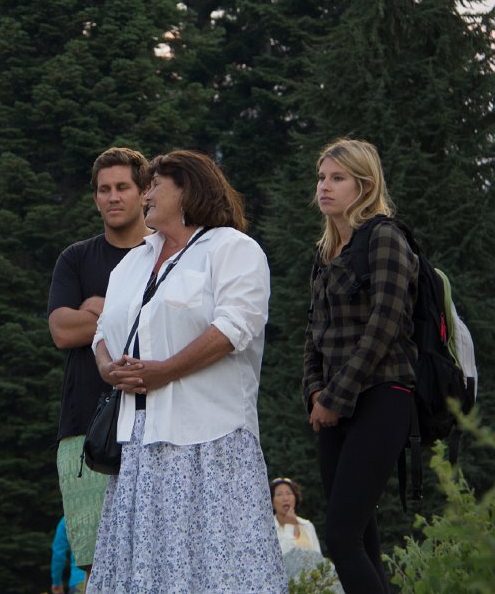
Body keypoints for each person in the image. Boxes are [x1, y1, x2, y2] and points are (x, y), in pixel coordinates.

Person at [88, 150, 285, 593]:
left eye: (156, 185)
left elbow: (235, 327)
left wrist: (165, 371)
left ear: (188, 189)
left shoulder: (232, 248)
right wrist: (107, 368)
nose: (147, 195)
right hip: (138, 441)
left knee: (219, 572)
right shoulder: (135, 260)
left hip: (210, 440)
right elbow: (103, 331)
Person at [303, 138, 416, 593]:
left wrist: (336, 395)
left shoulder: (386, 236)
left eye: (337, 178)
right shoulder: (326, 251)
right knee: (362, 538)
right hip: (332, 403)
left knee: (340, 537)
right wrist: (314, 391)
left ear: (364, 186)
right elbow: (312, 332)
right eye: (321, 178)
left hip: (384, 394)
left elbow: (385, 323)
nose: (324, 187)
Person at [47, 147, 151, 576]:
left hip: (153, 425)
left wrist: (97, 309)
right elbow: (62, 332)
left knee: (153, 559)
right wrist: (121, 313)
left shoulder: (164, 254)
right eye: (103, 190)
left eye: (122, 187)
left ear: (144, 192)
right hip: (84, 430)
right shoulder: (76, 258)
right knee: (95, 566)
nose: (112, 197)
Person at [270, 477, 321, 555]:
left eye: (289, 493)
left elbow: (318, 557)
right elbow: (282, 555)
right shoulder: (267, 528)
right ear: (272, 503)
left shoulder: (307, 525)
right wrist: (289, 525)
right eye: (279, 494)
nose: (285, 498)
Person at [51, 515, 86, 594]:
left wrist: (56, 582)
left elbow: (58, 554)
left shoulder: (67, 519)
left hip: (79, 582)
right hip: (108, 580)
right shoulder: (105, 512)